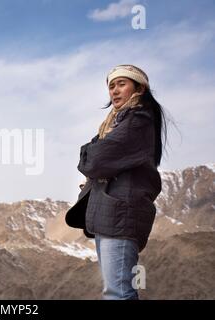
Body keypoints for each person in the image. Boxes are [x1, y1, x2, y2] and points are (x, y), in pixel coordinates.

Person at [65, 64, 168, 300]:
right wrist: (94, 151)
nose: (115, 91)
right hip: (111, 215)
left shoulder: (139, 119)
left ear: (139, 88)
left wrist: (89, 151)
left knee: (118, 293)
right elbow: (97, 156)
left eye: (122, 84)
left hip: (121, 215)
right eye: (111, 86)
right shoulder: (118, 123)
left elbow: (95, 159)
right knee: (115, 291)